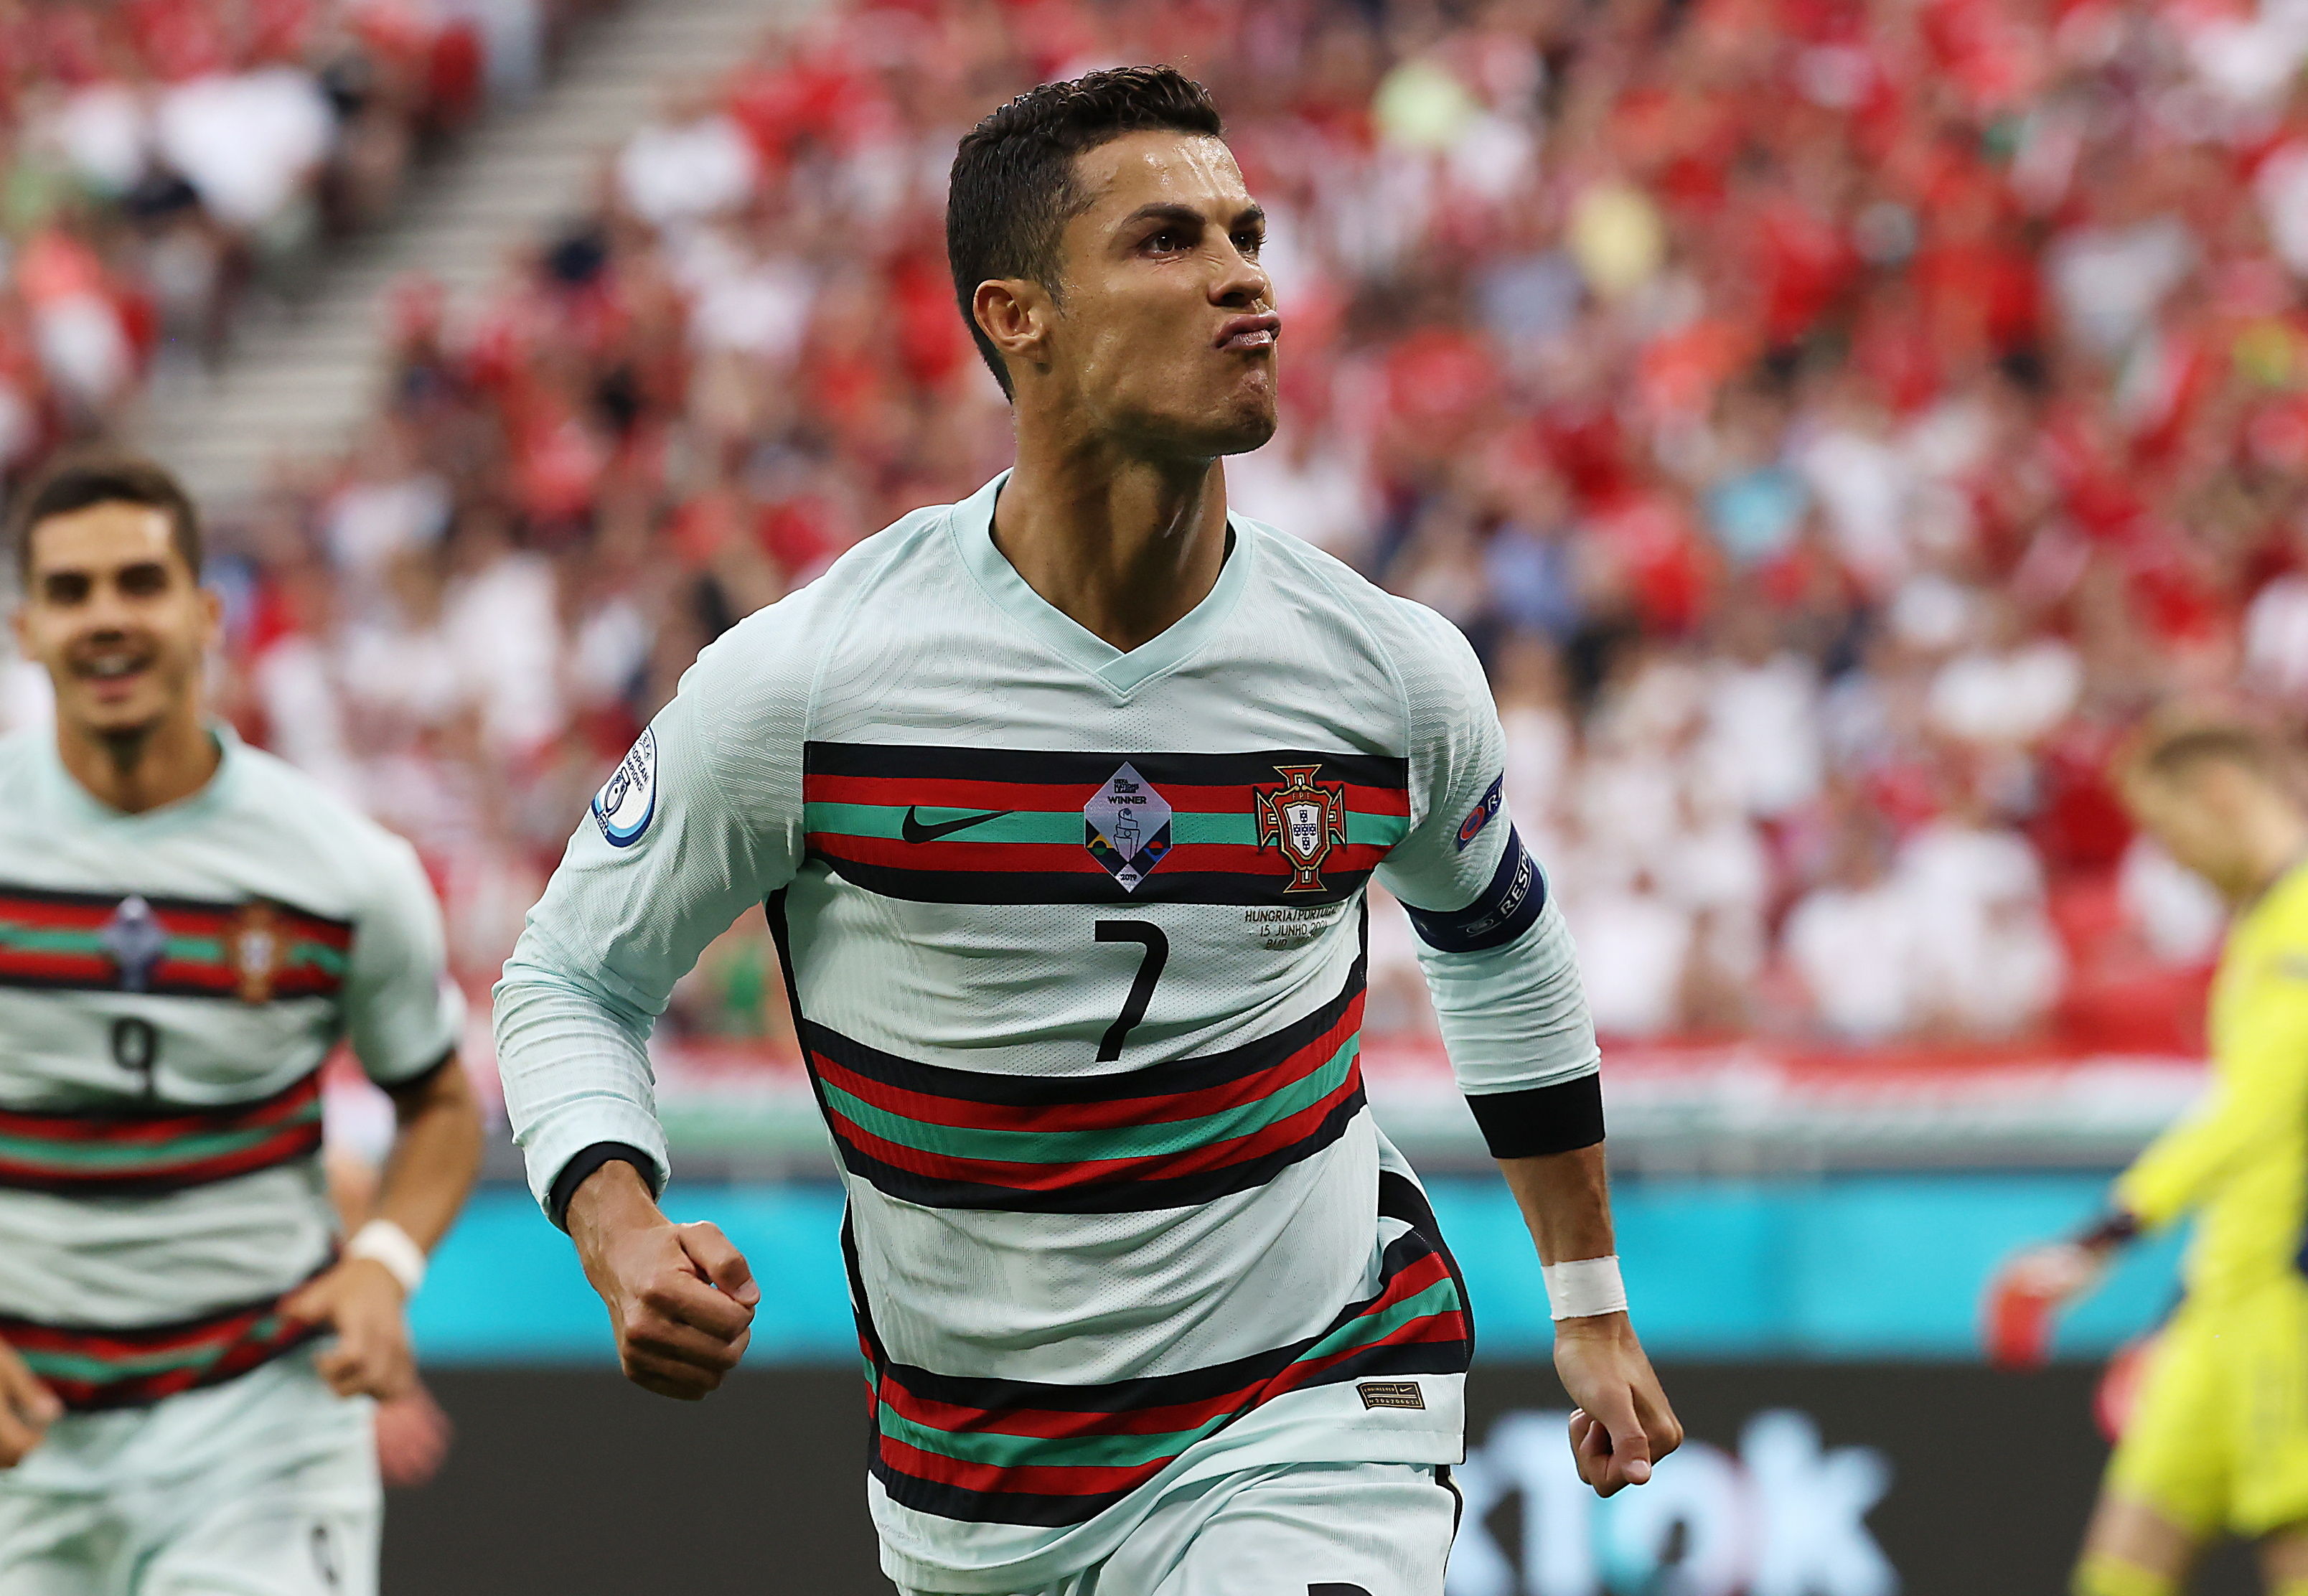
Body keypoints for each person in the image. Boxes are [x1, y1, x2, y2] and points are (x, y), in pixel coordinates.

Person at [496, 67, 1679, 1596]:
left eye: (1248, 233)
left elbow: (1501, 942)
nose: (1245, 275)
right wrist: (617, 1221)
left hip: (1312, 1394)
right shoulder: (814, 683)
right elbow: (568, 978)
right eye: (1168, 241)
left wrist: (1585, 1297)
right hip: (975, 1489)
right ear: (1017, 315)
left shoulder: (1384, 673)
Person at [0, 454, 482, 1595]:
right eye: (71, 593)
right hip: (26, 1430)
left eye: (138, 582)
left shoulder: (343, 870)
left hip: (262, 1423)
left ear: (205, 611)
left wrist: (384, 1262)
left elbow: (441, 1103)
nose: (106, 618)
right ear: (28, 626)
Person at [1994, 716, 2308, 1596]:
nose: (2170, 862)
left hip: (2291, 1310)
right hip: (2220, 1305)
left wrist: (2109, 1229)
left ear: (2220, 794)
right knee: (2121, 1570)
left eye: (2169, 834)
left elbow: (2261, 1110)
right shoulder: (2261, 922)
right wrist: (2176, 1307)